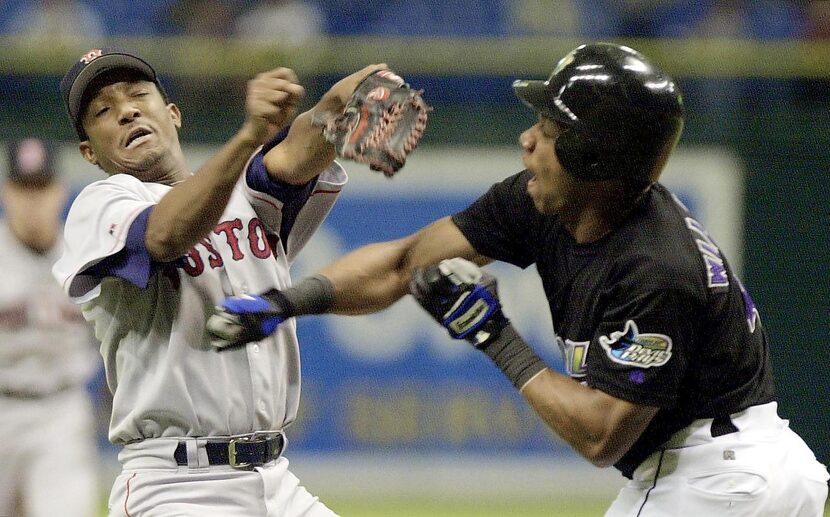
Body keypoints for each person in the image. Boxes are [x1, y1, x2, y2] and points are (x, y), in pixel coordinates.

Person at [208, 42, 830, 515]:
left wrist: (496, 337)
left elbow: (601, 436)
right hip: (717, 474)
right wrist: (286, 302)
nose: (528, 139)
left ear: (594, 158)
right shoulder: (541, 203)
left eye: (551, 133)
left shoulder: (656, 268)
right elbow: (405, 263)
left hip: (722, 478)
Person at [52, 46, 387, 516]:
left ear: (173, 114)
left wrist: (343, 102)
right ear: (89, 151)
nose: (126, 112)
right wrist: (251, 133)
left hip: (274, 479)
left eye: (137, 96)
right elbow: (166, 235)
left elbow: (296, 151)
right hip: (175, 486)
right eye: (103, 112)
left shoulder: (243, 192)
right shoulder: (99, 207)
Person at [0, 138, 101, 517]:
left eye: (41, 188)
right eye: (23, 189)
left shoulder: (85, 258)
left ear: (60, 192)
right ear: (6, 191)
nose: (32, 202)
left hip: (61, 411)